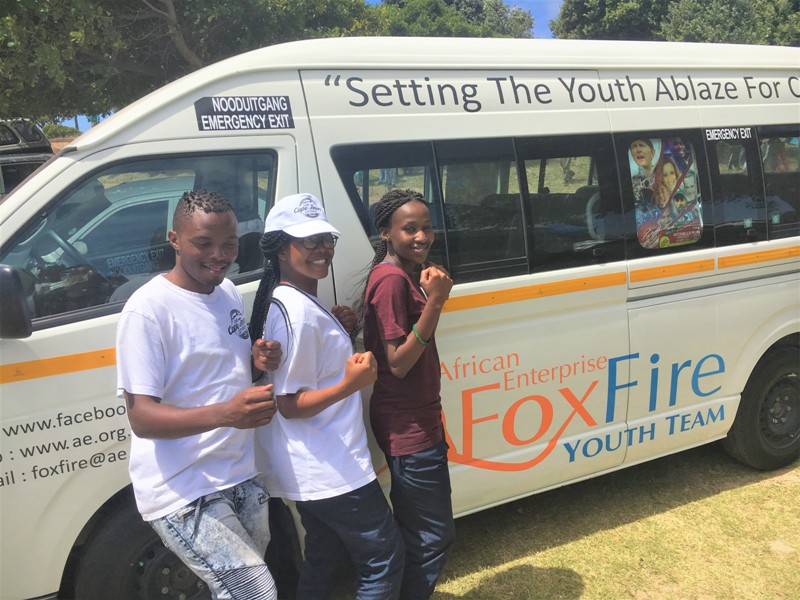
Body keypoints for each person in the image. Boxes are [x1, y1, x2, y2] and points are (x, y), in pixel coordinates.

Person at [116, 190, 282, 600]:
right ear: (174, 239)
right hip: (184, 487)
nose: (219, 256)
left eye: (229, 244)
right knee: (255, 592)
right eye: (203, 243)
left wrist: (258, 360)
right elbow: (142, 418)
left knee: (232, 591)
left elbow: (226, 373)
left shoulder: (227, 293)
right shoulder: (148, 310)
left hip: (238, 471)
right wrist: (227, 413)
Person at [250, 193, 404, 600]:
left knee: (322, 556)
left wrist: (338, 329)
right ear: (281, 249)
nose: (321, 249)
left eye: (326, 239)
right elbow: (289, 404)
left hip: (316, 467)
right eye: (308, 240)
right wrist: (350, 384)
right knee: (384, 558)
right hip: (331, 468)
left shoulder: (298, 301)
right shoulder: (297, 312)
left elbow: (311, 367)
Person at [357, 188, 455, 600]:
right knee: (433, 536)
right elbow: (397, 362)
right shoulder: (392, 280)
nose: (421, 237)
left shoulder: (399, 275)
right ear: (385, 232)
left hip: (416, 419)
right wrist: (436, 303)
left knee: (419, 531)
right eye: (409, 229)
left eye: (427, 228)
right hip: (408, 425)